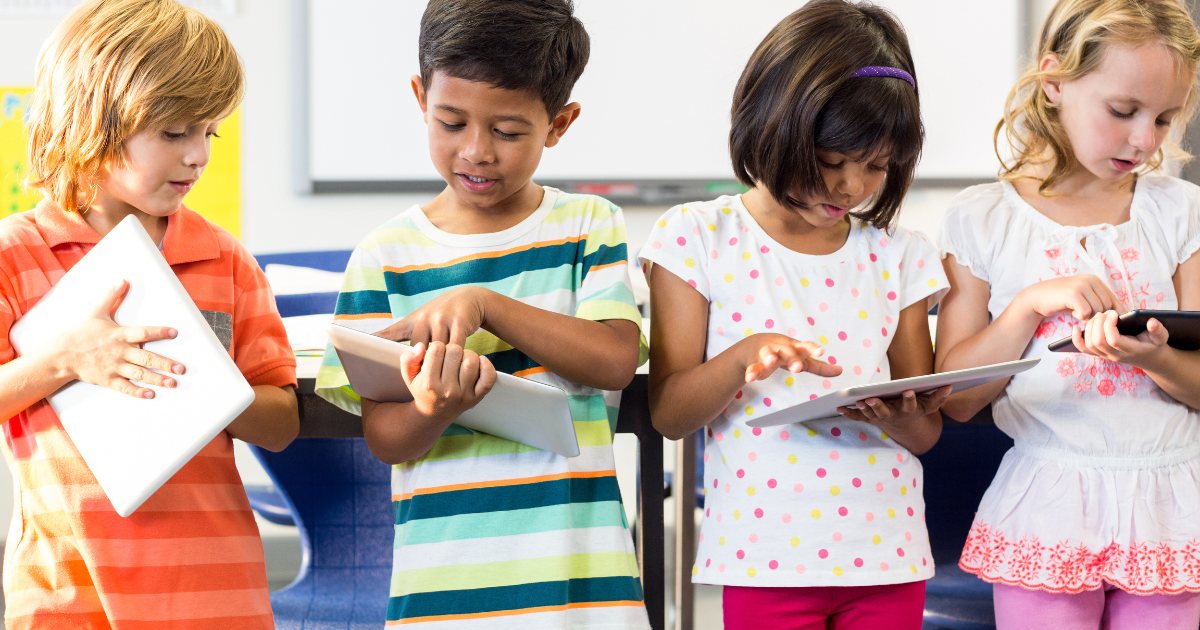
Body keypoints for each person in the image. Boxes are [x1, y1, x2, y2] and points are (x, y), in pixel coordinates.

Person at [314, 0, 649, 627]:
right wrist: (435, 408)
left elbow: (614, 361)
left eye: (508, 131)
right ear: (420, 98)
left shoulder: (587, 225)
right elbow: (384, 439)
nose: (476, 151)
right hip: (446, 583)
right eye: (451, 122)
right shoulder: (385, 255)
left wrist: (486, 304)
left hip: (577, 582)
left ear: (559, 123)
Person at [640, 2, 950, 628]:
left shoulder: (901, 256)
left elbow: (927, 433)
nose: (850, 188)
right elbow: (670, 416)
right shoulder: (698, 237)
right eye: (832, 162)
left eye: (876, 166)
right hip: (764, 559)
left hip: (887, 555)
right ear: (771, 126)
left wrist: (903, 416)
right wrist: (742, 355)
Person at [0, 0, 299, 627]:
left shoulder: (225, 259)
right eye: (174, 133)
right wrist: (65, 359)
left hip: (215, 593)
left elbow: (281, 423)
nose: (199, 156)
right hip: (66, 594)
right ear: (92, 120)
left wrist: (210, 386)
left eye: (210, 132)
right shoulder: (15, 254)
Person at [934, 0, 1200, 627]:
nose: (1144, 140)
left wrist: (1156, 357)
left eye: (1164, 120)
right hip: (1048, 504)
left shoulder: (1181, 211)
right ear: (1053, 81)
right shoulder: (980, 220)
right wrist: (1028, 306)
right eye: (1121, 111)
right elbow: (956, 398)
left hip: (1172, 504)